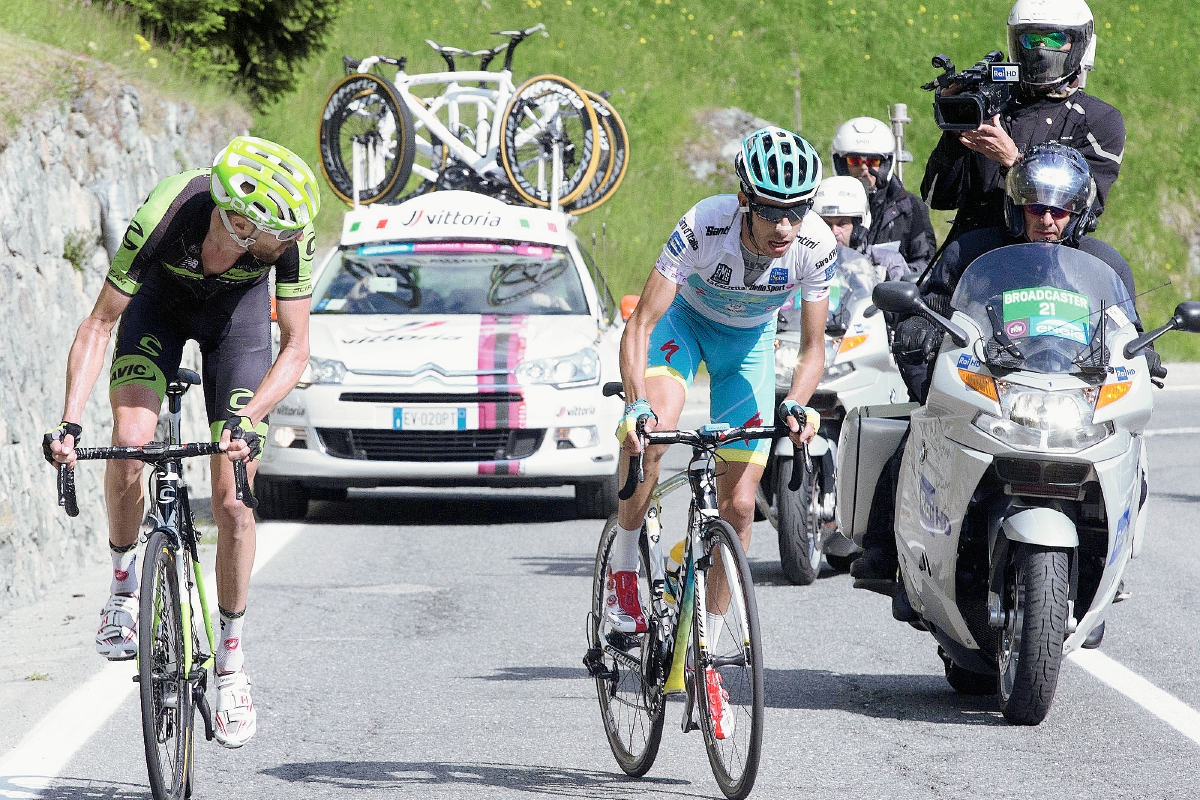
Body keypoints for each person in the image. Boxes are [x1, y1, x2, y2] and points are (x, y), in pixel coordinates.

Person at [43, 135, 321, 748]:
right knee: (129, 443)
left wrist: (252, 421)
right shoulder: (170, 211)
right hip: (158, 314)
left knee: (233, 496)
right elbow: (100, 322)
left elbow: (296, 346)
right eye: (281, 234)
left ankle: (230, 664)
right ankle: (122, 588)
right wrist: (68, 421)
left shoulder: (286, 241)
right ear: (243, 224)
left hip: (238, 329)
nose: (291, 244)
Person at [852, 144, 1158, 649]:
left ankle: (1112, 561)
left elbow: (1128, 330)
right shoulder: (973, 250)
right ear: (1016, 206)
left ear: (1077, 212)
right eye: (1036, 207)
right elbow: (926, 306)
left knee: (1134, 459)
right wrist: (920, 338)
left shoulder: (1105, 264)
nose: (1047, 219)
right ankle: (884, 549)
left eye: (1058, 209)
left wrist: (1147, 357)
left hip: (1069, 393)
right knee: (911, 439)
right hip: (992, 387)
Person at [609, 126, 835, 736]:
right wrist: (634, 406)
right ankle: (625, 565)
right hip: (682, 331)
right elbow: (642, 322)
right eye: (770, 210)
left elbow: (813, 349)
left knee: (738, 506)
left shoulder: (814, 247)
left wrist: (796, 403)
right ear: (744, 199)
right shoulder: (702, 225)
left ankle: (704, 655)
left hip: (748, 350)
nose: (783, 227)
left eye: (795, 211)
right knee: (654, 433)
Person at [921, 0, 1125, 243]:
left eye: (1054, 40)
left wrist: (1013, 161)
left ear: (1079, 43)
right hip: (976, 261)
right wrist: (954, 130)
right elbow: (935, 198)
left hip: (1049, 262)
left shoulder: (1098, 120)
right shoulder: (990, 106)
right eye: (1031, 40)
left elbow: (1086, 208)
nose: (1040, 50)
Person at [831, 117, 937, 272]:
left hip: (891, 294)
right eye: (855, 160)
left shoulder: (910, 207)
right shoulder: (826, 205)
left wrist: (895, 274)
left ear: (886, 164)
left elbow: (927, 264)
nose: (864, 169)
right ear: (841, 164)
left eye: (873, 161)